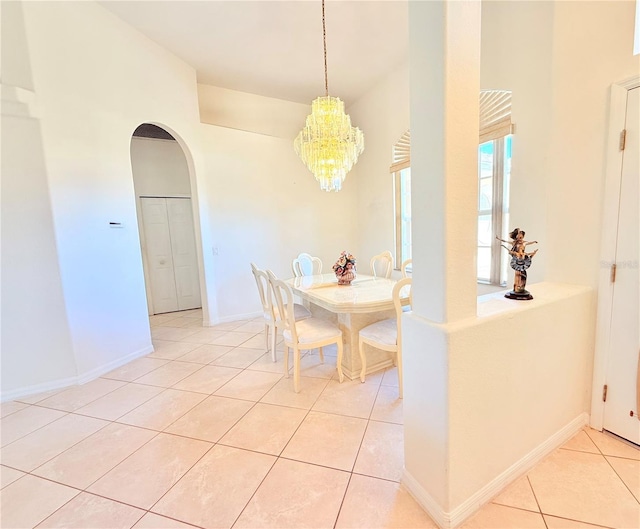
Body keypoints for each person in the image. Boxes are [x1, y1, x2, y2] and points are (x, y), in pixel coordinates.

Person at [497, 228, 538, 295]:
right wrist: (499, 239)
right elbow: (506, 242)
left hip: (523, 259)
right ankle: (517, 287)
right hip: (517, 259)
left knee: (523, 274)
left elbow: (529, 245)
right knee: (517, 274)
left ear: (523, 237)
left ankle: (521, 287)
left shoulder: (524, 243)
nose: (519, 239)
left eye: (521, 237)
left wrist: (534, 242)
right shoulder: (514, 243)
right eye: (518, 237)